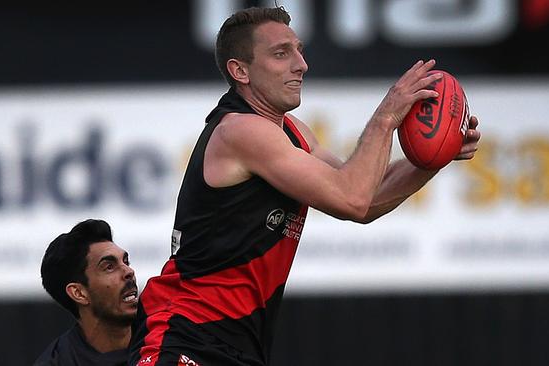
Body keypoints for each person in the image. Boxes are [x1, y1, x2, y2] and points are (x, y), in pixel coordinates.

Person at [129, 6, 481, 366]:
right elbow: (353, 199)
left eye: (299, 50)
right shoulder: (241, 131)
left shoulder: (292, 132)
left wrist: (434, 158)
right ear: (240, 71)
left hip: (232, 345)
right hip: (183, 337)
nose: (301, 64)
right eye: (282, 53)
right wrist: (388, 116)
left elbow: (367, 195)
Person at [35, 219, 138, 366]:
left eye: (126, 262)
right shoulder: (57, 362)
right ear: (79, 293)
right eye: (109, 267)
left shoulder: (169, 334)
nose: (129, 271)